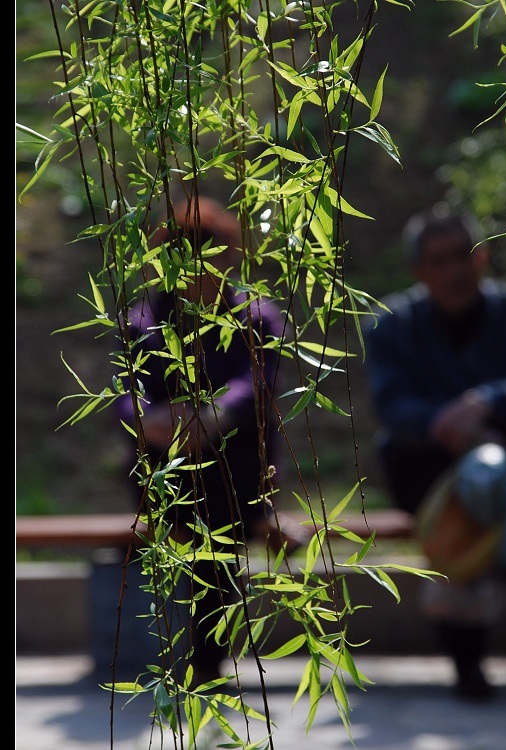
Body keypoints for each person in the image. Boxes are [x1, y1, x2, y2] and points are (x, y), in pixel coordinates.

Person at [363, 208, 506, 701]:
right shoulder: (390, 325)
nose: (454, 271)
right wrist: (462, 433)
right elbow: (394, 407)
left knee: (480, 501)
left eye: (463, 256)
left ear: (482, 258)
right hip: (426, 464)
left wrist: (483, 404)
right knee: (473, 494)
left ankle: (469, 671)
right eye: (439, 260)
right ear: (419, 270)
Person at [116, 195, 295, 684]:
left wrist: (210, 417)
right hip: (165, 463)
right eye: (184, 247)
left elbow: (256, 384)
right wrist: (153, 419)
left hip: (232, 466)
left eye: (207, 246)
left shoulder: (255, 317)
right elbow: (126, 391)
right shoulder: (145, 322)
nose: (196, 260)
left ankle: (208, 666)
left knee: (218, 522)